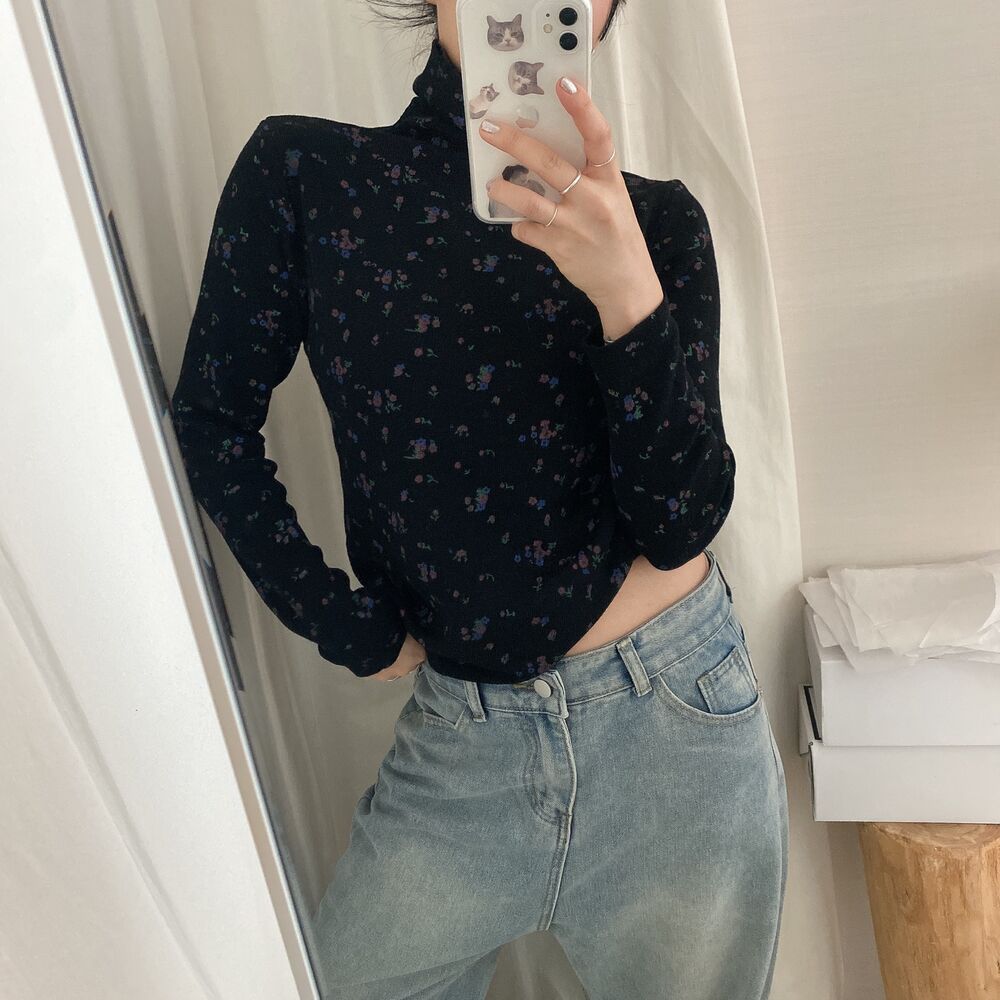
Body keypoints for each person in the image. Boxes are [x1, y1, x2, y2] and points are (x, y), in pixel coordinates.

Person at [170, 1, 788, 997]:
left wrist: (627, 292)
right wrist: (340, 621)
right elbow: (213, 418)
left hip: (673, 723)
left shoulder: (656, 223)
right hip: (460, 742)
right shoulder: (307, 174)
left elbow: (680, 522)